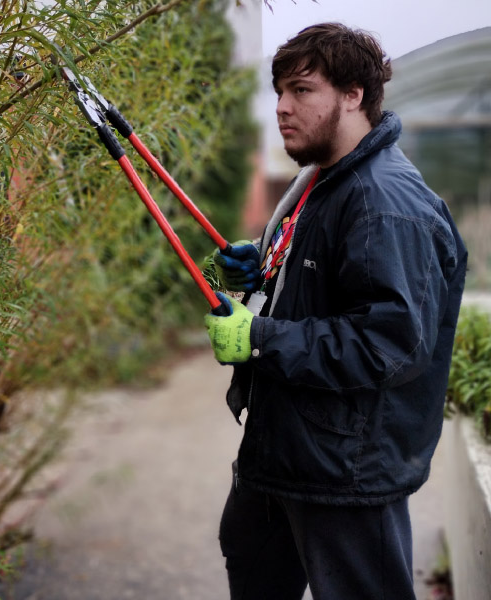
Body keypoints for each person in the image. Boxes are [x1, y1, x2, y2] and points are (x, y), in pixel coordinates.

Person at [204, 23, 468, 600]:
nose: (281, 108)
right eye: (279, 92)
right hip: (280, 452)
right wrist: (265, 264)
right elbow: (322, 282)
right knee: (251, 570)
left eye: (302, 90)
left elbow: (389, 343)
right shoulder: (317, 180)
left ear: (353, 94)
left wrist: (260, 339)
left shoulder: (385, 203)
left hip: (344, 473)